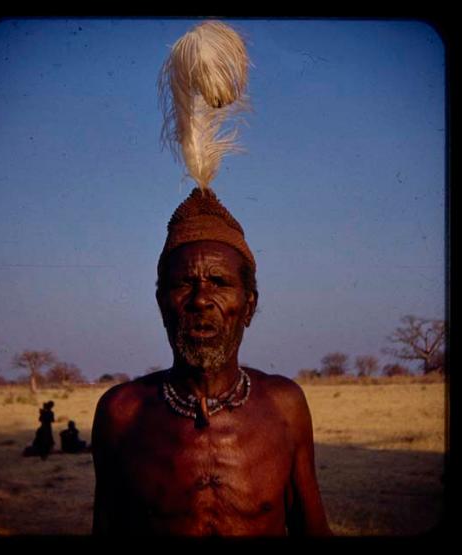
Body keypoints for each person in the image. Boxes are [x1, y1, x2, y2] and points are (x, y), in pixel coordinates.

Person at [91, 188, 332, 536]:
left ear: (248, 306)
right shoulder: (122, 413)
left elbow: (312, 531)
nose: (201, 300)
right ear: (162, 305)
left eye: (219, 283)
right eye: (184, 284)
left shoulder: (285, 406)